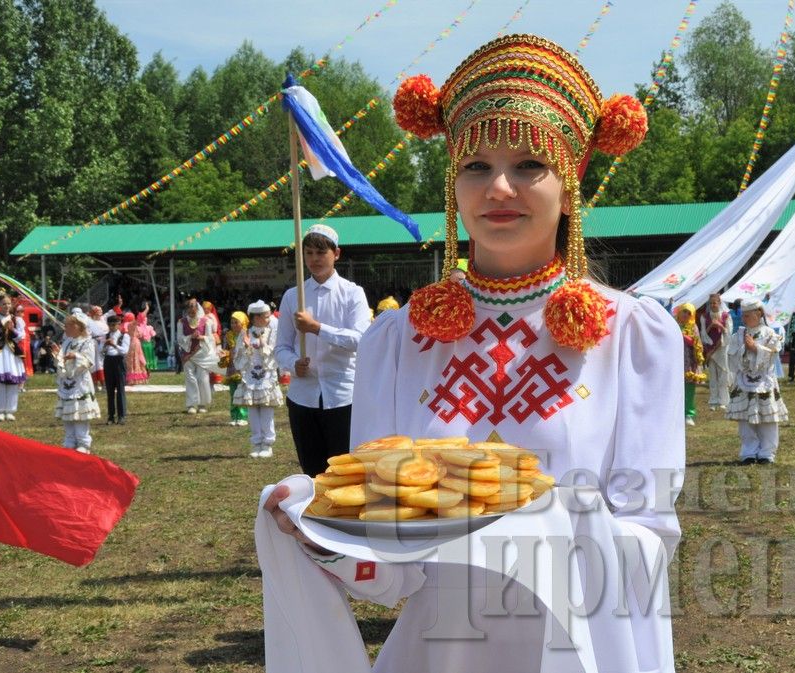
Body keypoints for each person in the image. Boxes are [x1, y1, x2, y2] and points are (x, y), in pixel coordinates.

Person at [261, 33, 683, 673]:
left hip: (577, 651)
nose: (500, 189)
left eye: (529, 165)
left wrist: (556, 529)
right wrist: (320, 537)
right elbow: (394, 573)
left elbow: (647, 540)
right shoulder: (400, 340)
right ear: (454, 184)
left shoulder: (632, 336)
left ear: (570, 186)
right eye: (477, 167)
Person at [274, 224, 371, 477]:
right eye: (309, 253)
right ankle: (314, 514)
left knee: (345, 471)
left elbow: (360, 339)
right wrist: (293, 363)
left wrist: (317, 328)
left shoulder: (353, 294)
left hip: (343, 396)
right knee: (312, 470)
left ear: (336, 253)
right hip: (302, 396)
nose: (315, 259)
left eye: (321, 252)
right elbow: (281, 347)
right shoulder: (293, 296)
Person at [726, 297, 788, 464]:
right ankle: (749, 451)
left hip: (764, 381)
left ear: (759, 313)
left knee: (767, 418)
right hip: (744, 381)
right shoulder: (738, 334)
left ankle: (767, 453)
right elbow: (731, 357)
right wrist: (743, 350)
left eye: (748, 315)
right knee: (745, 419)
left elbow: (773, 354)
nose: (744, 318)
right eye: (743, 314)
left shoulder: (769, 333)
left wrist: (755, 348)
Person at [234, 301, 284, 457]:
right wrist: (246, 347)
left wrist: (263, 346)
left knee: (267, 410)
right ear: (256, 317)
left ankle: (268, 444)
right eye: (266, 316)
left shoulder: (272, 332)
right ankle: (256, 443)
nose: (268, 319)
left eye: (269, 316)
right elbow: (238, 358)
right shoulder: (245, 334)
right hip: (250, 377)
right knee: (252, 410)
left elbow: (276, 353)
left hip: (266, 377)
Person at [51, 312, 100, 453]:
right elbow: (60, 359)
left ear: (77, 327)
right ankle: (69, 440)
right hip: (66, 382)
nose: (65, 328)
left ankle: (83, 442)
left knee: (80, 412)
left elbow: (89, 361)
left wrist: (75, 356)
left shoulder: (88, 342)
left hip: (80, 383)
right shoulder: (66, 342)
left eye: (67, 326)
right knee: (68, 412)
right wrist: (57, 356)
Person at [0, 288, 27, 421]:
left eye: (9, 303)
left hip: (12, 354)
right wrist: (2, 329)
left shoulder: (17, 320)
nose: (6, 306)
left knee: (12, 381)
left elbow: (21, 336)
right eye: (3, 304)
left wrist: (12, 330)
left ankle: (10, 410)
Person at [177, 296, 219, 414]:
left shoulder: (206, 321)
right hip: (187, 354)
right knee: (190, 378)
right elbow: (179, 339)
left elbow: (211, 338)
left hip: (202, 353)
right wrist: (190, 337)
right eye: (189, 307)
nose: (191, 309)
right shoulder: (181, 322)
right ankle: (192, 404)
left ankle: (202, 404)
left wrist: (201, 337)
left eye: (193, 306)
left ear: (197, 307)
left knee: (202, 378)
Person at [699, 293, 732, 411]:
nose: (713, 305)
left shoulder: (726, 316)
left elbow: (728, 333)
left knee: (723, 375)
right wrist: (710, 326)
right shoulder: (704, 317)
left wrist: (720, 326)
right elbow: (703, 334)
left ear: (719, 303)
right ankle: (713, 400)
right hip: (710, 349)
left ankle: (724, 400)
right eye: (711, 303)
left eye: (715, 302)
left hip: (722, 348)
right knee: (712, 375)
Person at [675, 302, 706, 426]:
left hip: (688, 362)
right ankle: (675, 413)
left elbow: (696, 343)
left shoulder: (693, 327)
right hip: (675, 361)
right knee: (675, 388)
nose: (686, 315)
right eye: (684, 311)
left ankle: (688, 414)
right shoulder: (673, 324)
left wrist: (682, 336)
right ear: (679, 311)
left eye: (689, 313)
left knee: (688, 389)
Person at [220, 311, 250, 427]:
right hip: (232, 368)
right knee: (233, 393)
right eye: (232, 323)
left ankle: (243, 416)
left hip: (243, 368)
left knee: (242, 392)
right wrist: (224, 354)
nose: (233, 325)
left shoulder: (247, 335)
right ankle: (234, 416)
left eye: (236, 322)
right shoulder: (228, 336)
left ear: (242, 323)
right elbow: (225, 349)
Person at [101, 313, 129, 425]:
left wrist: (114, 345)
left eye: (114, 324)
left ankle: (121, 416)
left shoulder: (124, 336)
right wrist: (104, 346)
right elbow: (100, 352)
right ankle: (111, 416)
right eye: (110, 325)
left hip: (119, 361)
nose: (112, 327)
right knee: (110, 390)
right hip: (108, 361)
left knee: (120, 390)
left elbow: (124, 351)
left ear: (119, 324)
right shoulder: (105, 336)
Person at [87, 305, 110, 392]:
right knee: (93, 364)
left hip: (102, 344)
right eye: (98, 312)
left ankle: (104, 385)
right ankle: (94, 385)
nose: (100, 314)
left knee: (101, 363)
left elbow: (106, 333)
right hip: (92, 344)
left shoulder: (103, 323)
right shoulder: (89, 323)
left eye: (100, 312)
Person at [123, 312, 148, 385]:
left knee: (133, 359)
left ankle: (132, 379)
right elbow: (140, 318)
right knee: (134, 359)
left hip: (132, 342)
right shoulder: (131, 324)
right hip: (134, 342)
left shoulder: (125, 324)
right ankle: (134, 379)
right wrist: (146, 310)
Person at [135, 303, 158, 373]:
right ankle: (146, 371)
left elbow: (153, 335)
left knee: (147, 357)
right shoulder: (142, 327)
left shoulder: (146, 327)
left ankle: (146, 371)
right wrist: (147, 308)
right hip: (145, 344)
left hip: (146, 344)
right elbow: (153, 335)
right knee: (146, 357)